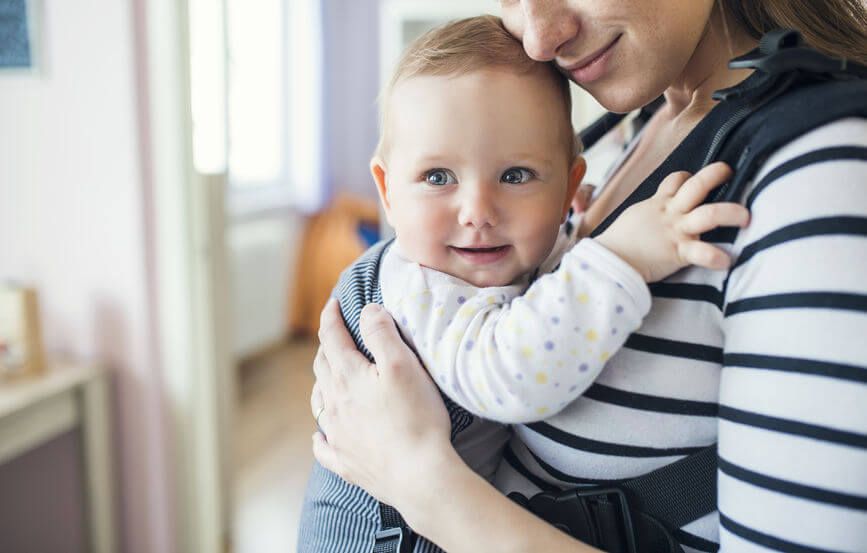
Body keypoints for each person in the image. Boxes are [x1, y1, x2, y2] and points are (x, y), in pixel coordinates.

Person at [304, 1, 867, 552]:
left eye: (517, 175)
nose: (539, 36)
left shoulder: (821, 171)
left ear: (565, 179)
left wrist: (419, 484)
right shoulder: (630, 130)